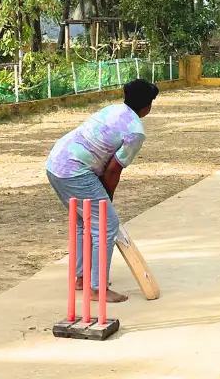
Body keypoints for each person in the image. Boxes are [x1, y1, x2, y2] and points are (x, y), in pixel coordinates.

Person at [45, 78, 160, 302]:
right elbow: (113, 171)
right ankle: (97, 289)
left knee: (84, 221)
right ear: (147, 106)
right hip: (76, 171)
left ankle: (81, 278)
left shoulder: (112, 109)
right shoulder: (135, 131)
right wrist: (108, 198)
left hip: (55, 162)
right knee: (106, 224)